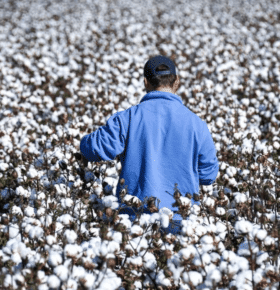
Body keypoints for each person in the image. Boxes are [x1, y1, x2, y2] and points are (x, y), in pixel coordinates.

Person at [79, 55, 219, 228]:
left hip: (136, 222)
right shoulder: (197, 125)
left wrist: (83, 141)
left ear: (145, 82)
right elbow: (208, 175)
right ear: (177, 82)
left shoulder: (128, 118)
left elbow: (93, 148)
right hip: (182, 223)